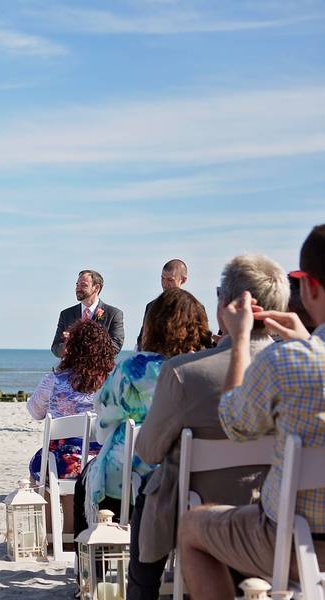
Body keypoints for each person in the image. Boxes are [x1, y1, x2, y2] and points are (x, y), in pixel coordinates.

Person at [129, 254, 288, 600]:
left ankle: (142, 593)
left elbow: (148, 450)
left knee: (147, 492)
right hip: (279, 511)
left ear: (226, 305)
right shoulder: (296, 369)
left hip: (196, 510)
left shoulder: (184, 372)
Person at [179, 225, 325, 597]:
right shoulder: (299, 354)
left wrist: (240, 337)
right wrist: (308, 340)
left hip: (301, 542)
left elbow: (235, 423)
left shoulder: (289, 363)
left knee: (192, 527)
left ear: (309, 287)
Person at [75, 288, 212, 534]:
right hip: (195, 476)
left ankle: (92, 567)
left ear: (153, 325)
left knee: (87, 480)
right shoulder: (205, 368)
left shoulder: (132, 369)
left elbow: (104, 423)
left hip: (131, 476)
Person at [27, 320, 117, 535]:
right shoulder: (114, 381)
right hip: (104, 461)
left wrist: (60, 369)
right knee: (61, 461)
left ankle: (54, 535)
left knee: (43, 464)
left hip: (65, 463)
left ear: (71, 349)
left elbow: (34, 411)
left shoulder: (55, 380)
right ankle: (81, 529)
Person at [51, 270, 125, 357]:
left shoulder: (113, 314)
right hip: (70, 369)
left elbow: (116, 346)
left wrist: (85, 343)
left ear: (96, 288)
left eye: (83, 285)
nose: (78, 288)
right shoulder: (66, 314)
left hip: (99, 369)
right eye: (77, 284)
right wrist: (66, 345)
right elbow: (55, 347)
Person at [135, 260, 195, 350]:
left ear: (183, 280)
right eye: (162, 278)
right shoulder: (151, 306)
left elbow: (199, 338)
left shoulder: (194, 307)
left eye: (170, 280)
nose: (165, 284)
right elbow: (143, 338)